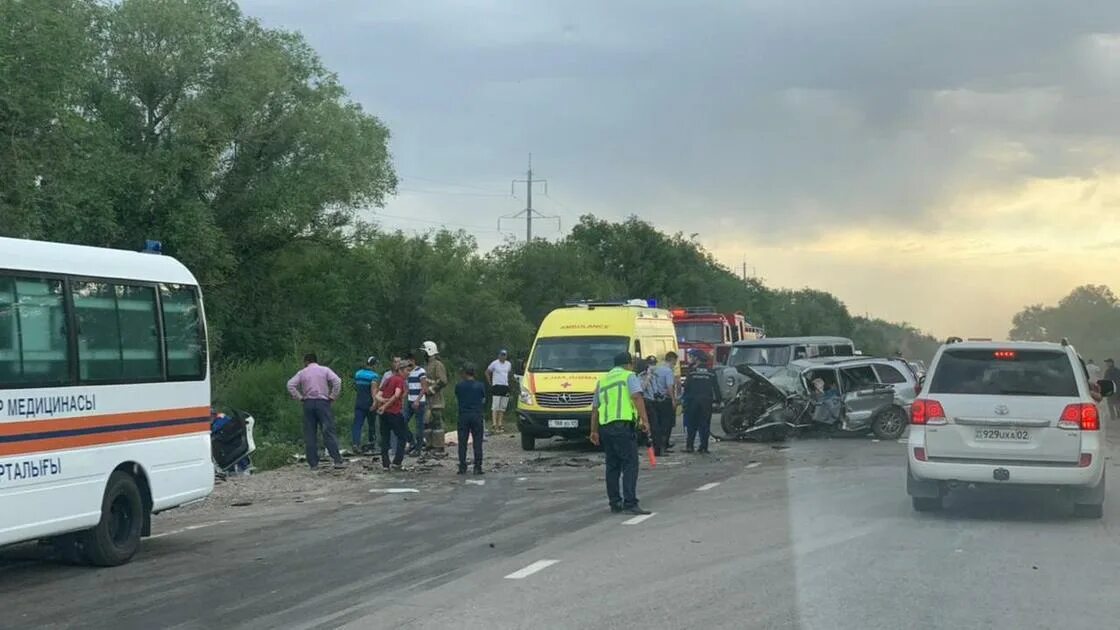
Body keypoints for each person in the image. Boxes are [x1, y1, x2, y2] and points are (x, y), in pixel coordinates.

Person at [589, 352, 651, 515]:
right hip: (622, 427)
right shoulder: (629, 376)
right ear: (628, 364)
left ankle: (615, 503)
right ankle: (630, 503)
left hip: (606, 428)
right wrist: (645, 421)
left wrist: (593, 431)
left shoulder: (602, 381)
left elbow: (595, 409)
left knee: (612, 466)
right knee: (630, 464)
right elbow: (637, 397)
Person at [286, 353, 345, 470]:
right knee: (328, 430)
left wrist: (299, 397)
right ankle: (337, 460)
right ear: (316, 360)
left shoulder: (302, 372)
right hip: (323, 402)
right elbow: (337, 381)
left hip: (308, 403)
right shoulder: (325, 370)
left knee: (310, 433)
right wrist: (333, 395)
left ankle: (313, 463)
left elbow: (290, 384)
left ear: (306, 361)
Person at [375, 362, 411, 470]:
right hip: (394, 413)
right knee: (402, 437)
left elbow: (378, 395)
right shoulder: (399, 380)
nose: (408, 373)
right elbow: (396, 395)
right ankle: (397, 462)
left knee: (385, 438)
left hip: (384, 415)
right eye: (406, 371)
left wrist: (383, 402)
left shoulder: (388, 380)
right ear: (400, 371)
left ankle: (385, 464)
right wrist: (385, 405)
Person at [683, 351, 721, 453]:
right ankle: (704, 447)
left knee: (692, 424)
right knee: (704, 425)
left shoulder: (692, 371)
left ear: (697, 359)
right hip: (706, 402)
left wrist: (684, 399)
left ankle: (690, 446)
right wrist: (719, 400)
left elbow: (686, 386)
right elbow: (716, 387)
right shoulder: (711, 372)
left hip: (693, 401)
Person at [455, 364, 487, 475]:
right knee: (477, 441)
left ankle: (462, 466)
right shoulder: (480, 386)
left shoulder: (459, 386)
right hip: (476, 415)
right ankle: (477, 467)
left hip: (463, 415)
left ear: (465, 373)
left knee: (462, 442)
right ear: (474, 373)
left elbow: (458, 398)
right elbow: (483, 400)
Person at [646, 351, 679, 456]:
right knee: (666, 425)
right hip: (665, 400)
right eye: (675, 362)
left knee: (657, 425)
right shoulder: (668, 371)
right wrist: (673, 400)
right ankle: (663, 447)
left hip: (655, 400)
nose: (675, 364)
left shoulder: (657, 368)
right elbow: (669, 387)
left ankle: (660, 447)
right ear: (672, 360)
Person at [421, 341, 449, 451]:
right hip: (427, 400)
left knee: (437, 423)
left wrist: (431, 390)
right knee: (427, 423)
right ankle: (429, 444)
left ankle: (439, 446)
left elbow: (443, 381)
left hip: (436, 400)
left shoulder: (438, 365)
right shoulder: (426, 365)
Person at [351, 356, 381, 453]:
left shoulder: (358, 374)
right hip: (369, 403)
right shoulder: (374, 376)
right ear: (374, 365)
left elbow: (356, 387)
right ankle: (371, 443)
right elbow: (374, 390)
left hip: (359, 402)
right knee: (371, 424)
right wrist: (375, 402)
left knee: (357, 424)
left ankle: (355, 443)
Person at [404, 353, 429, 454]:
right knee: (402, 421)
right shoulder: (408, 372)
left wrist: (418, 400)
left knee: (419, 425)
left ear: (413, 360)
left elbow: (424, 388)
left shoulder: (421, 371)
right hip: (410, 400)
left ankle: (418, 448)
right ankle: (411, 441)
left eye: (409, 361)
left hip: (419, 401)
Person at [485, 349, 513, 433]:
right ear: (499, 355)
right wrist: (490, 383)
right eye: (501, 355)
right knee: (495, 406)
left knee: (502, 407)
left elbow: (508, 374)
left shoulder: (508, 364)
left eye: (504, 355)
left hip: (505, 386)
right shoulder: (494, 363)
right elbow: (487, 372)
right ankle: (494, 424)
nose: (503, 356)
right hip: (497, 386)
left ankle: (500, 424)